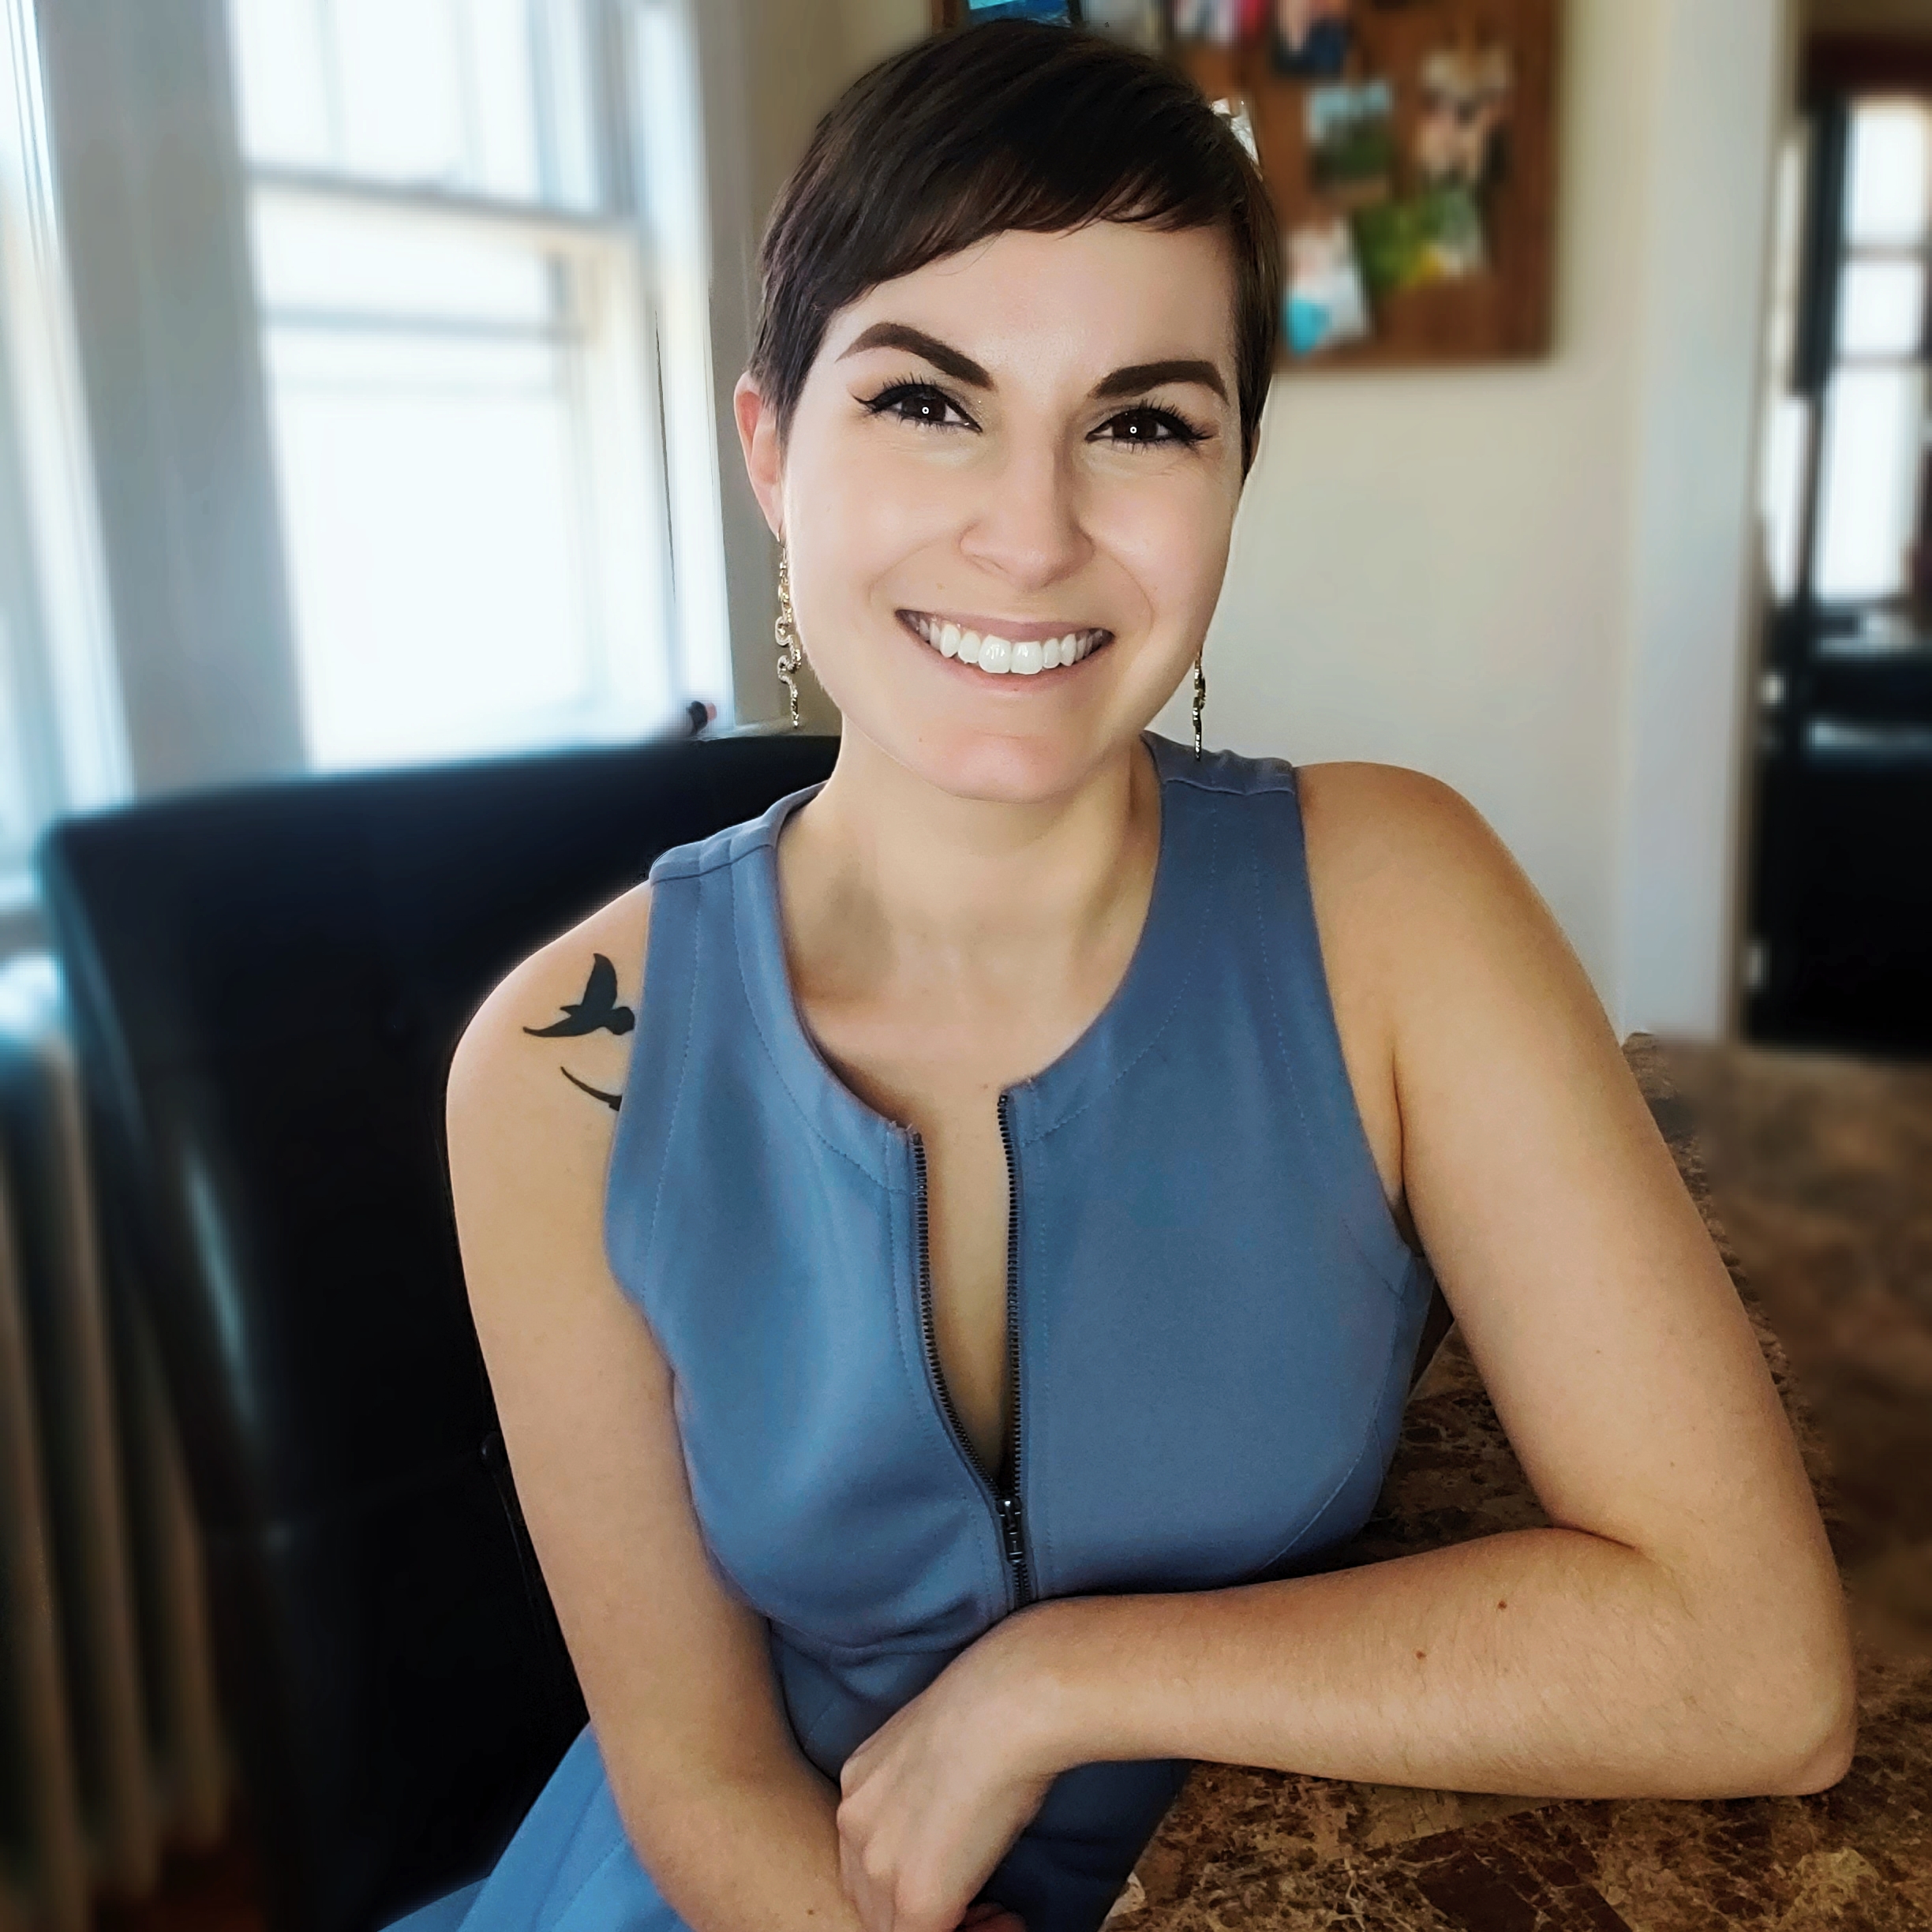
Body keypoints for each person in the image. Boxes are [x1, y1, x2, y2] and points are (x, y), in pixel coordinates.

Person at [390, 22, 1855, 1932]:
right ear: (770, 450)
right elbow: (695, 1775)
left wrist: (1057, 1684)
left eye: (1144, 422)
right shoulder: (551, 1071)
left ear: (1235, 476)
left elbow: (1751, 1663)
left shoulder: (1393, 902)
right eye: (928, 401)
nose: (1031, 533)